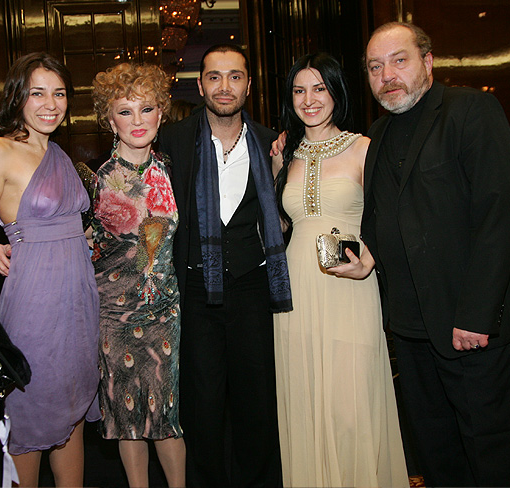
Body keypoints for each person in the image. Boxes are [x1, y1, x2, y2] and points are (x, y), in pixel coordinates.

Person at [362, 22, 510, 486]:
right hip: (410, 333)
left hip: (468, 328)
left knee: (490, 451)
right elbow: (387, 217)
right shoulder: (378, 133)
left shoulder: (470, 111)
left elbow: (500, 216)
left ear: (427, 62)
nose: (387, 75)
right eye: (375, 67)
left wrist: (476, 315)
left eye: (399, 60)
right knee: (436, 453)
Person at [0, 52, 100, 487]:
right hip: (35, 304)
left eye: (59, 93)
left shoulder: (58, 153)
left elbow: (71, 228)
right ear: (18, 96)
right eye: (38, 93)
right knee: (29, 412)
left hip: (79, 304)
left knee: (72, 411)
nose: (50, 104)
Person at [272, 52, 408, 488]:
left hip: (350, 286)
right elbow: (280, 226)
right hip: (296, 289)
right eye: (299, 90)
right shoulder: (284, 154)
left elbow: (389, 217)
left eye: (319, 88)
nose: (309, 99)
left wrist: (371, 258)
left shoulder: (365, 148)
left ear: (336, 92)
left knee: (351, 404)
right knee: (306, 397)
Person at [158, 44, 292, 488]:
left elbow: (290, 211)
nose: (224, 86)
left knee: (257, 402)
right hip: (196, 289)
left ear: (248, 85)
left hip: (253, 286)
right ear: (200, 86)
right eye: (214, 77)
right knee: (203, 405)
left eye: (235, 76)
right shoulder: (174, 140)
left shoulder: (271, 142)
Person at [87, 62, 185, 488]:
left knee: (166, 416)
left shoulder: (173, 170)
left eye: (147, 109)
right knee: (127, 419)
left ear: (161, 113)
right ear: (110, 120)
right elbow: (67, 240)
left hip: (165, 313)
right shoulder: (94, 181)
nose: (138, 120)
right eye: (125, 112)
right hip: (114, 316)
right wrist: (8, 244)